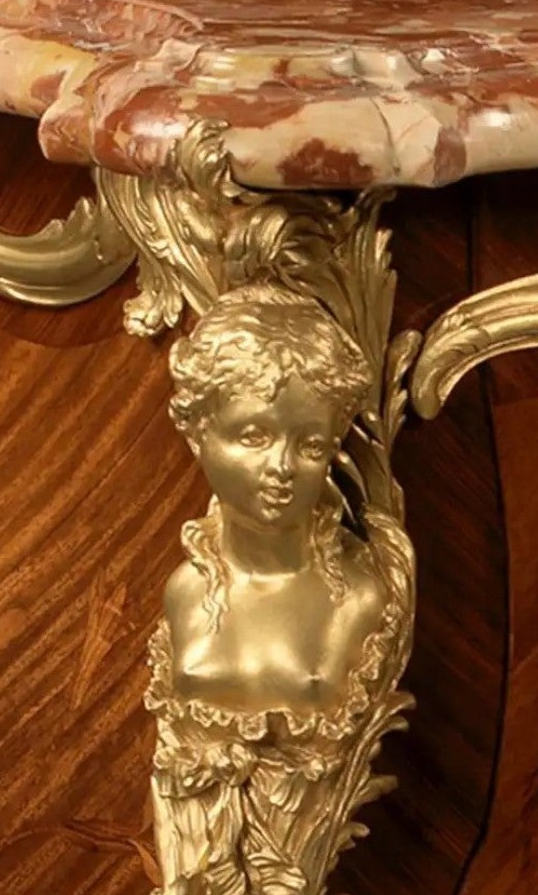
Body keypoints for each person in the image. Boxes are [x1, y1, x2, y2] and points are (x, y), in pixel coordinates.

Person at [160, 283, 387, 719]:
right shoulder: (186, 591)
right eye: (254, 436)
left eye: (311, 445)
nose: (282, 465)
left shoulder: (356, 601)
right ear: (197, 434)